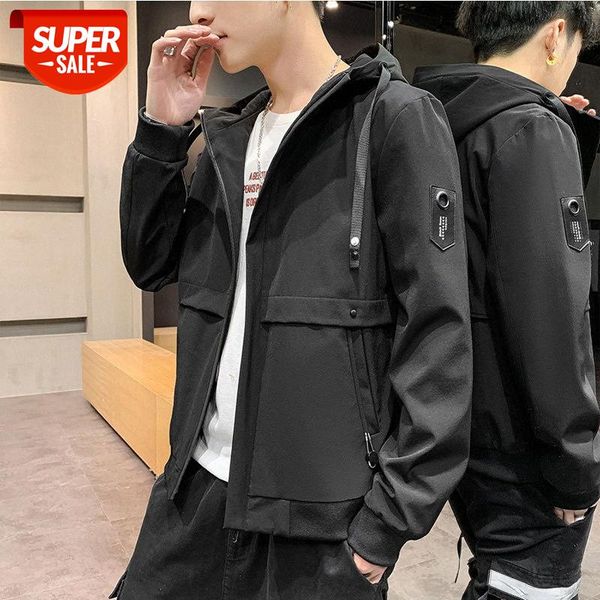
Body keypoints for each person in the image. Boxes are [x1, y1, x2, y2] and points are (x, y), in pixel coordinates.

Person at [110, 2, 473, 598]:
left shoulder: (394, 118)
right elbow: (150, 264)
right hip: (195, 492)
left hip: (320, 525)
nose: (198, 10)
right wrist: (161, 130)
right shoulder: (229, 136)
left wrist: (385, 525)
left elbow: (438, 335)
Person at [413, 2, 600, 599]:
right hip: (524, 445)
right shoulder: (530, 129)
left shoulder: (433, 120)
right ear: (556, 36)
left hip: (458, 419)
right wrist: (574, 464)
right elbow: (550, 316)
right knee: (531, 587)